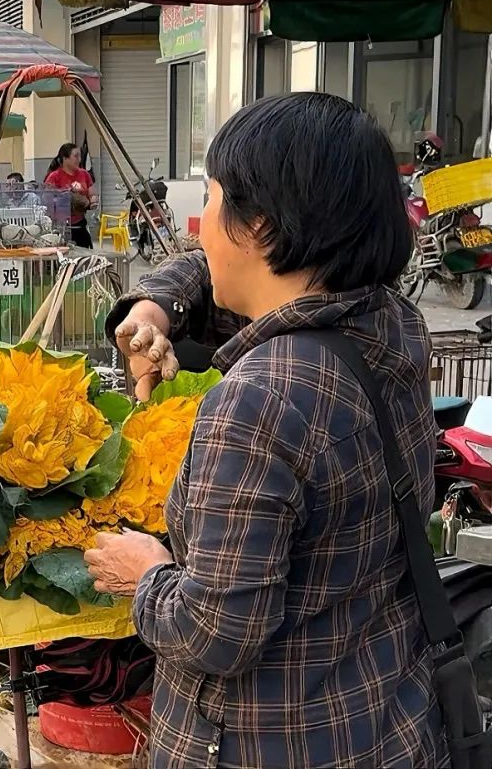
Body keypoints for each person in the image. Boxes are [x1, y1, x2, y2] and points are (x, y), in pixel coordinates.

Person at [86, 93, 447, 768]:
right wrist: (156, 306)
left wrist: (146, 574)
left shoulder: (255, 402)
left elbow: (215, 631)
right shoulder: (392, 325)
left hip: (267, 743)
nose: (200, 228)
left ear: (259, 227)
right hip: (385, 721)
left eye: (214, 203)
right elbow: (252, 290)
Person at [44, 143, 97, 248]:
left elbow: (92, 194)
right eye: (76, 156)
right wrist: (65, 198)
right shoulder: (54, 177)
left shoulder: (84, 174)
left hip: (80, 225)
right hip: (61, 227)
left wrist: (93, 201)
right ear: (65, 158)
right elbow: (46, 199)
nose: (79, 159)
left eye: (80, 156)